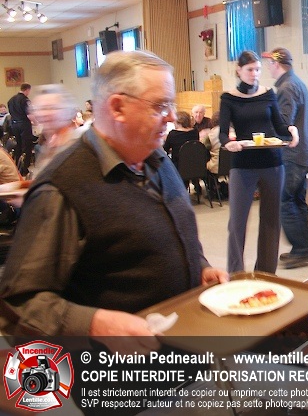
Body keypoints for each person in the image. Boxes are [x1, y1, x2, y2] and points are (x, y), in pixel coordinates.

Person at [0, 50, 228, 351]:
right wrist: (94, 324)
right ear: (118, 107)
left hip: (184, 351)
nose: (172, 116)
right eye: (160, 106)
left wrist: (198, 267)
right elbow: (19, 303)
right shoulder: (61, 188)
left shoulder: (156, 157)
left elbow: (171, 234)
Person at [219, 50, 299, 274]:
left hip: (272, 162)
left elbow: (279, 127)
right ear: (239, 70)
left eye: (258, 69)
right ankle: (236, 273)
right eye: (250, 70)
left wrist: (292, 131)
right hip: (242, 164)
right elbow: (223, 133)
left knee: (271, 221)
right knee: (237, 223)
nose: (254, 74)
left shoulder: (268, 94)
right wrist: (228, 144)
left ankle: (266, 273)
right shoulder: (228, 98)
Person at [264, 47, 308, 270]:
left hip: (292, 154)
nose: (268, 67)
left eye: (269, 63)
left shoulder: (286, 88)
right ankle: (303, 248)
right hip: (303, 152)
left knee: (285, 200)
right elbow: (306, 115)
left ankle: (301, 250)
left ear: (276, 64)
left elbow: (284, 123)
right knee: (297, 201)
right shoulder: (298, 84)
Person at [28, 84, 82, 175]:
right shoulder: (50, 144)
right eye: (40, 109)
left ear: (67, 111)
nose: (44, 114)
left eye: (52, 108)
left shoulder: (75, 147)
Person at [7, 82, 35, 176]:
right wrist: (36, 122)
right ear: (27, 90)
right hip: (24, 125)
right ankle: (24, 168)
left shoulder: (11, 100)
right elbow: (29, 115)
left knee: (18, 146)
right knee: (27, 146)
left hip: (14, 124)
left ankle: (18, 166)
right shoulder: (25, 100)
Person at [163, 110, 200, 176]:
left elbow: (165, 149)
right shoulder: (195, 132)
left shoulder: (173, 134)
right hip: (193, 164)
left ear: (178, 122)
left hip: (178, 166)